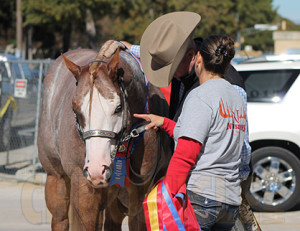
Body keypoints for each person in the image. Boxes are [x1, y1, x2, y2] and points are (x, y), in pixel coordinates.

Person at [135, 32, 246, 230]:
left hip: (203, 197)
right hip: (229, 200)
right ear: (227, 66)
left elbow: (187, 152)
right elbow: (214, 136)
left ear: (198, 59)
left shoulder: (200, 95)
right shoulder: (235, 96)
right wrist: (165, 123)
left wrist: (166, 196)